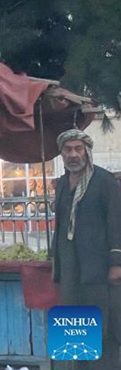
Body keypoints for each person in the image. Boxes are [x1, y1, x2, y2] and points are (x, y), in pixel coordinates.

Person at [51, 129, 121, 369]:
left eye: (78, 149)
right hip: (70, 270)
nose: (73, 155)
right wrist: (56, 263)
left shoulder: (104, 181)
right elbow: (60, 227)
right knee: (74, 327)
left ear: (87, 152)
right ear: (61, 154)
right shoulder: (61, 183)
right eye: (68, 150)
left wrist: (116, 263)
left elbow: (116, 222)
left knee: (103, 326)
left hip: (98, 269)